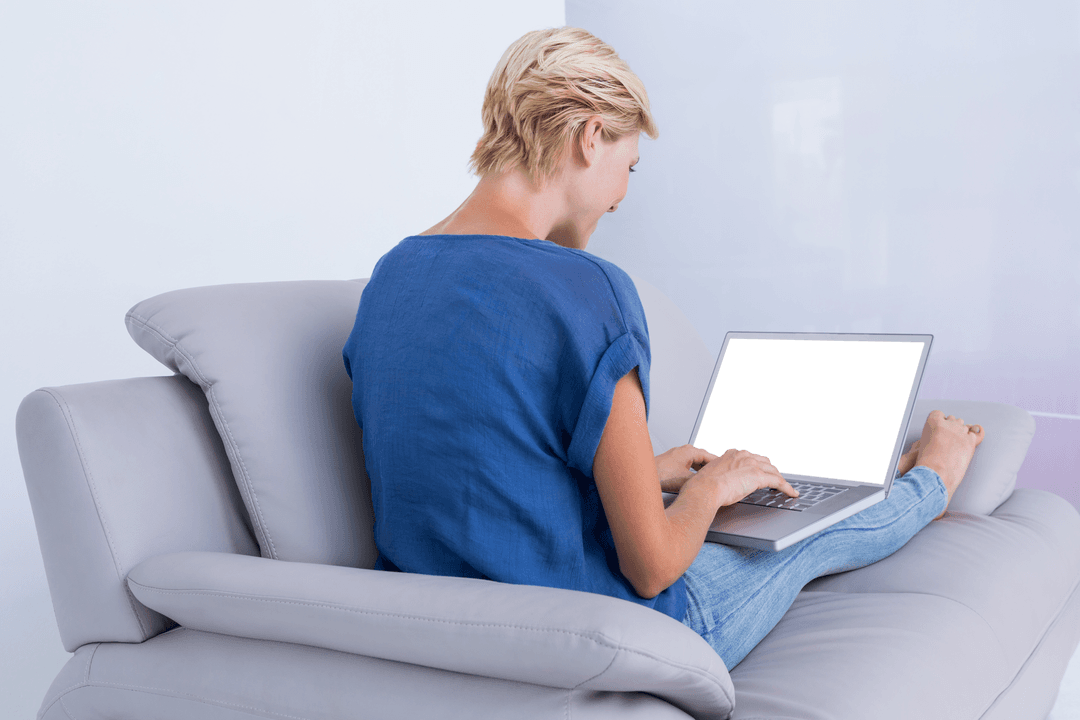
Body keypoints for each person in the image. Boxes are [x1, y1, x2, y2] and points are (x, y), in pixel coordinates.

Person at [342, 26, 985, 669]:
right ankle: (933, 477)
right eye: (630, 166)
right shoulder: (586, 287)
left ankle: (872, 475)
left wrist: (645, 474)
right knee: (800, 538)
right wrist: (713, 489)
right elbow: (651, 569)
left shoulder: (392, 276)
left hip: (443, 636)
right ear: (590, 137)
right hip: (595, 638)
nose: (622, 196)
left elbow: (482, 476)